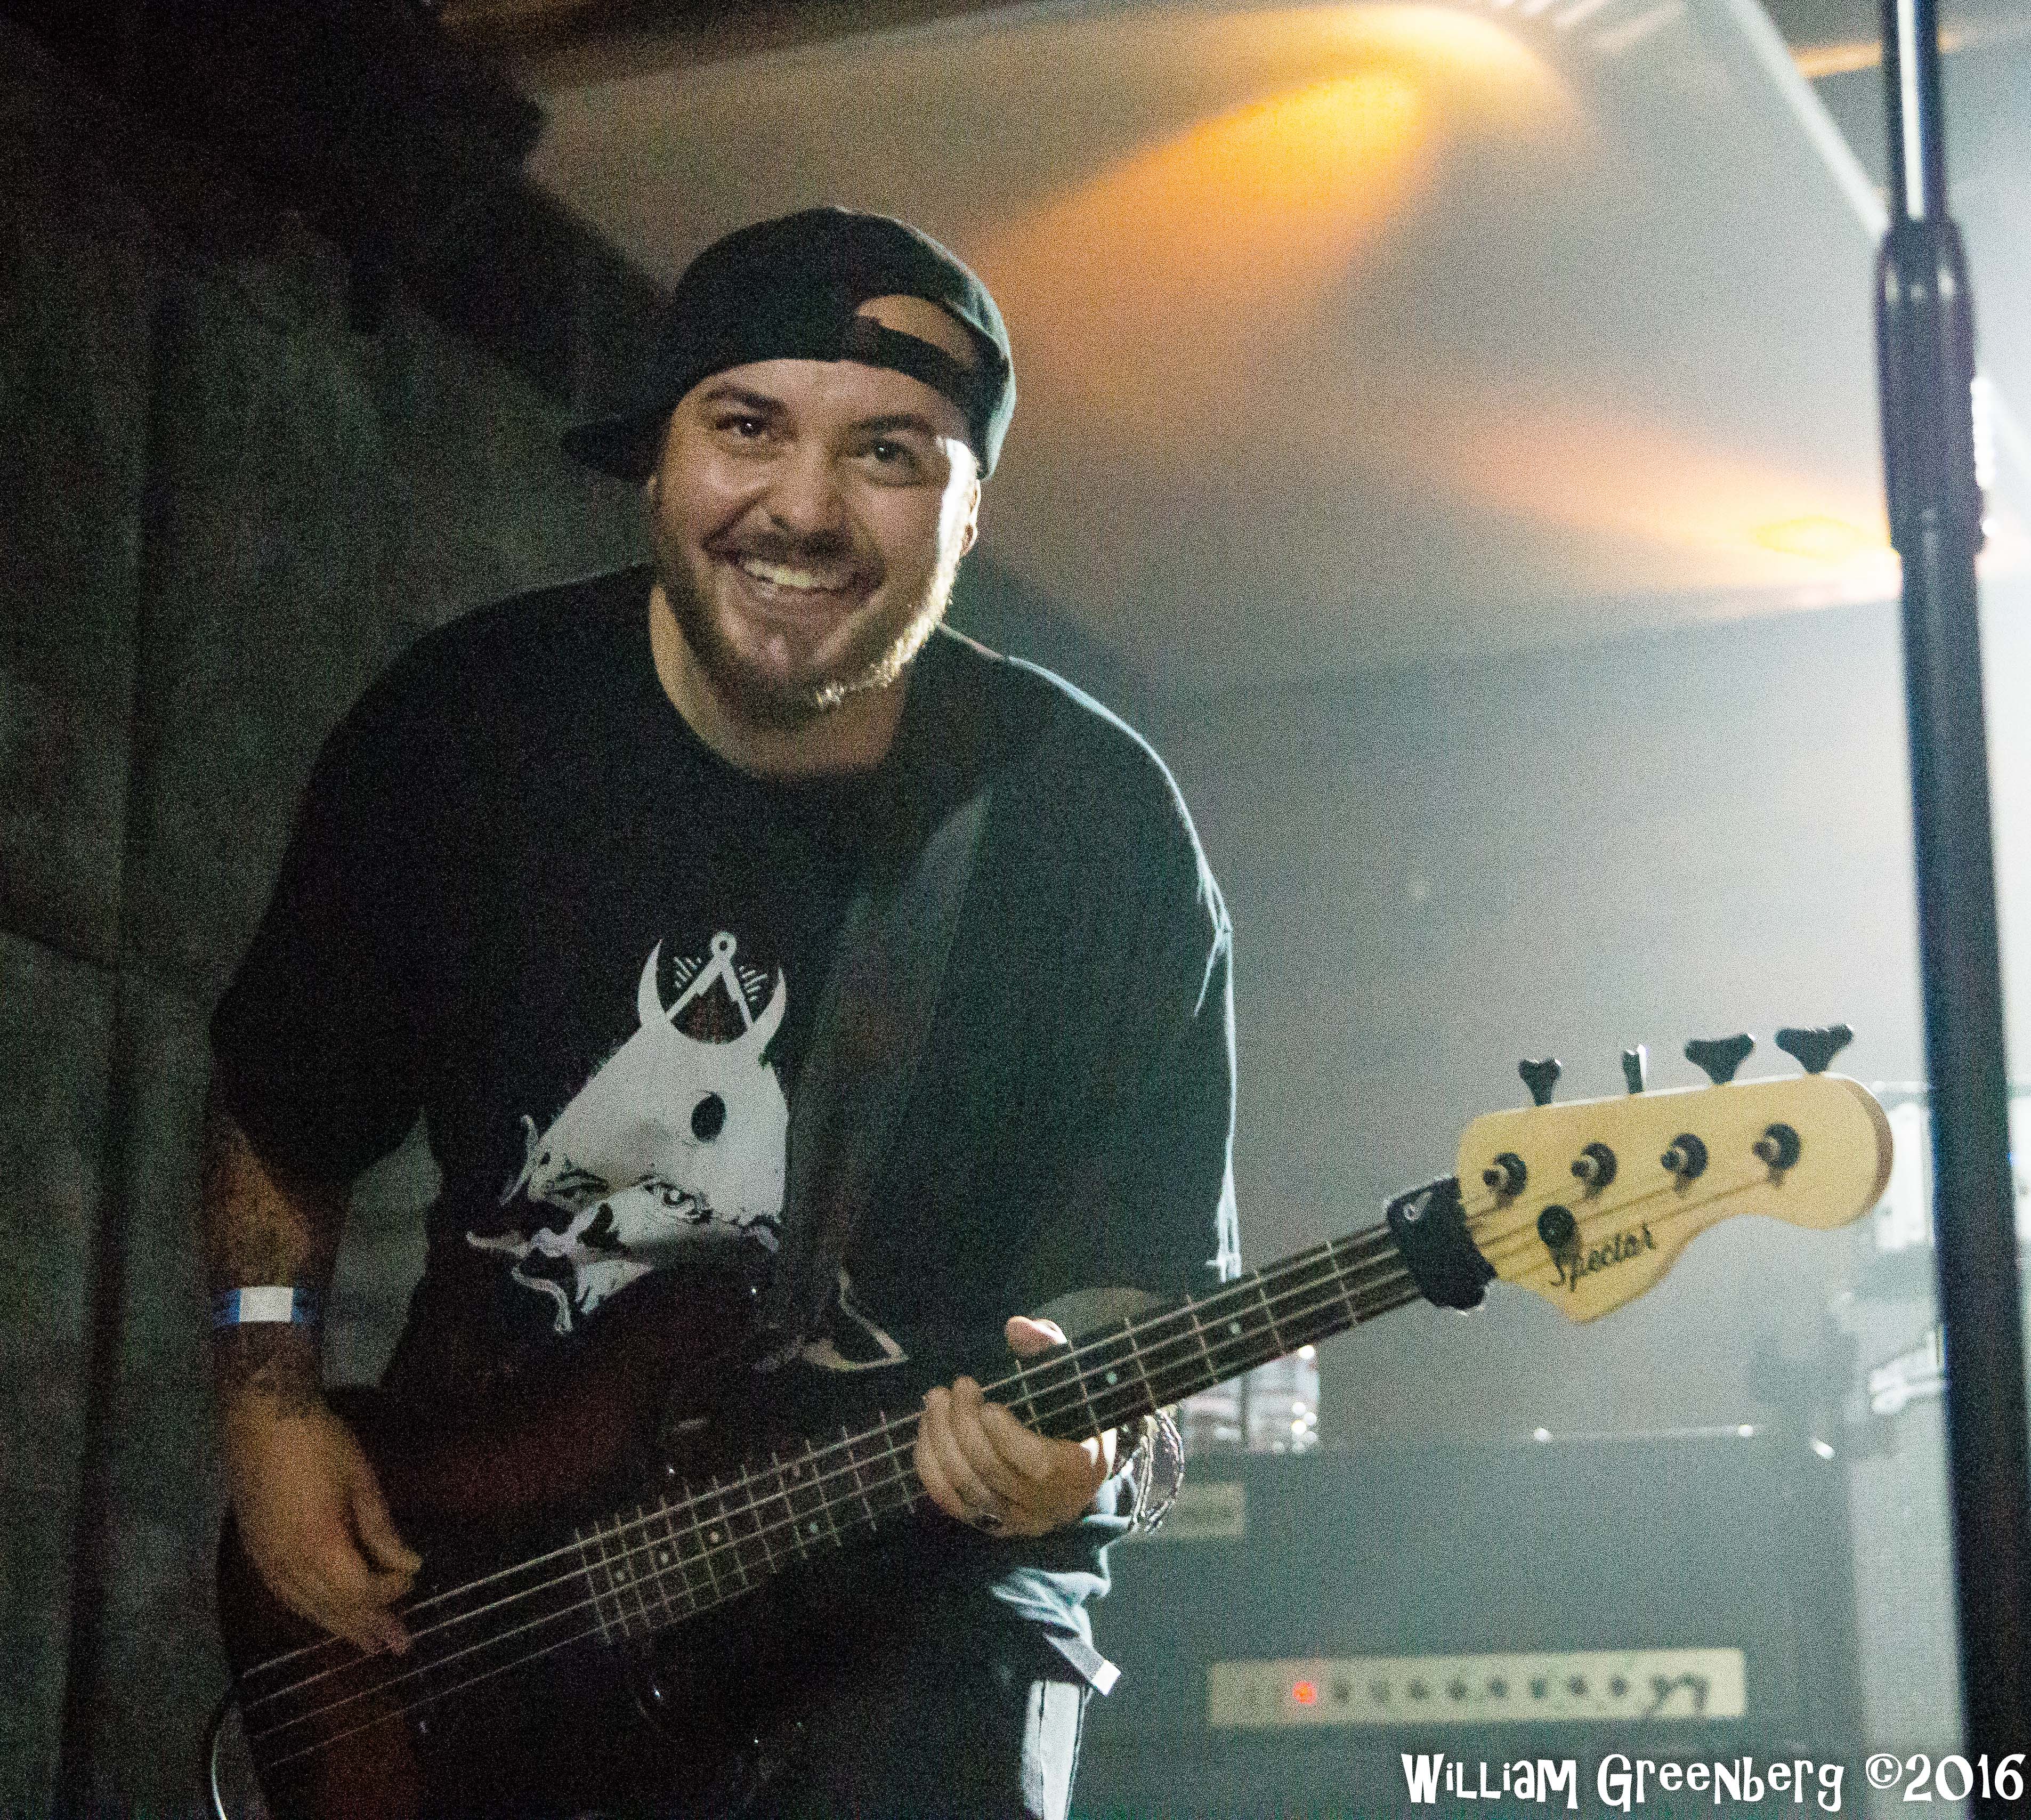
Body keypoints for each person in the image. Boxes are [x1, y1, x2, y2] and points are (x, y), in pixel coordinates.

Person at [201, 206, 1239, 1817]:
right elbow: (286, 1116)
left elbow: (1144, 1304)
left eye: (887, 453)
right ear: (657, 462)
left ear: (971, 506)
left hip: (914, 1614)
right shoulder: (468, 734)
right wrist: (269, 1411)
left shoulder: (1091, 833)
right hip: (502, 1589)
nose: (803, 509)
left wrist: (1091, 1445)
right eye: (747, 428)